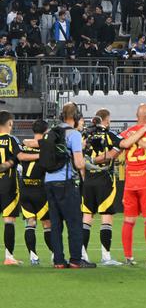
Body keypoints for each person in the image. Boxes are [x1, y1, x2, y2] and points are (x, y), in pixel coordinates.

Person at [43, 103, 90, 268]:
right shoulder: (74, 134)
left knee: (55, 224)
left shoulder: (51, 132)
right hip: (65, 182)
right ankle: (76, 260)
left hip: (49, 181)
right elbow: (78, 163)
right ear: (76, 117)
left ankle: (58, 261)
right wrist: (87, 159)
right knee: (74, 222)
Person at [118, 104, 146, 266]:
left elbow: (122, 145)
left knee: (128, 220)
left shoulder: (128, 132)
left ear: (136, 116)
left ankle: (128, 257)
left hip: (130, 182)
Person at [80, 110, 123, 265]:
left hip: (88, 180)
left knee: (86, 218)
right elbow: (118, 148)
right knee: (106, 218)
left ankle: (83, 255)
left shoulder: (85, 136)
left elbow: (79, 158)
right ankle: (106, 256)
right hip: (105, 179)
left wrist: (84, 176)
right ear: (106, 120)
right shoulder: (110, 136)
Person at [17, 120, 53, 265]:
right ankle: (54, 254)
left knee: (30, 223)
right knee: (47, 223)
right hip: (40, 190)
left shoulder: (24, 144)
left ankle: (33, 256)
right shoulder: (46, 147)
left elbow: (19, 157)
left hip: (25, 188)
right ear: (46, 131)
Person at [0, 111, 25, 264]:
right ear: (10, 123)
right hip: (7, 183)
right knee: (9, 219)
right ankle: (8, 257)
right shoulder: (11, 139)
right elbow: (21, 157)